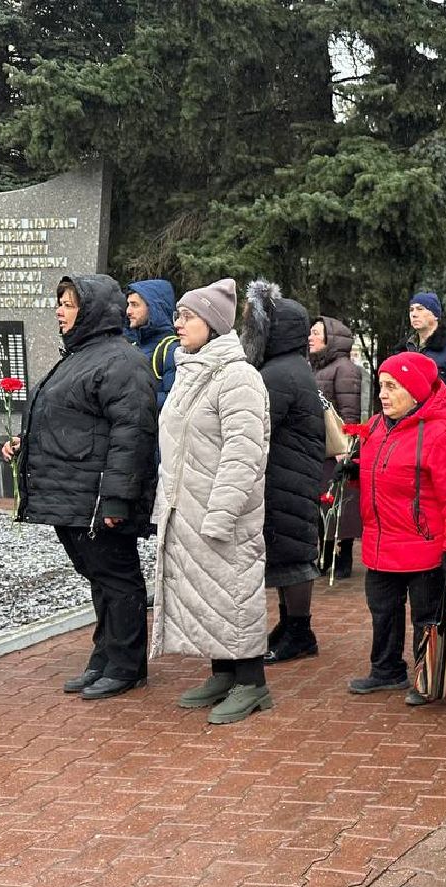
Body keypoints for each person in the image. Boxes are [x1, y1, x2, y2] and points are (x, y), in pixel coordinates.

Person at [2, 274, 157, 701]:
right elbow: (71, 422)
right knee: (99, 577)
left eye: (69, 304)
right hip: (72, 493)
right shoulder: (78, 356)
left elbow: (133, 435)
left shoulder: (119, 361)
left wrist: (116, 499)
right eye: (60, 303)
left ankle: (126, 666)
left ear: (91, 311)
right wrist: (26, 445)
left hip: (96, 497)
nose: (60, 310)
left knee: (117, 578)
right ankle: (105, 657)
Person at [150, 279, 273, 725]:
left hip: (222, 514)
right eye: (178, 315)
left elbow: (245, 453)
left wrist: (220, 512)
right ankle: (223, 673)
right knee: (210, 599)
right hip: (187, 511)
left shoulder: (238, 378)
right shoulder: (191, 371)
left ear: (214, 324)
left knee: (235, 594)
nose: (178, 324)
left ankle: (253, 683)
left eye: (188, 317)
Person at [348, 352, 446, 701]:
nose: (383, 394)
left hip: (424, 545)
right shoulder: (375, 426)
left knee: (426, 618)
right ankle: (386, 669)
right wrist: (354, 472)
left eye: (392, 387)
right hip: (380, 541)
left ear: (415, 391)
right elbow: (380, 475)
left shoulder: (441, 434)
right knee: (382, 611)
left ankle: (429, 677)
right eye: (381, 386)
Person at [241, 281, 325, 664]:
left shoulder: (278, 374)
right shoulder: (288, 367)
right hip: (290, 474)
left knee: (292, 556)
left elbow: (257, 425)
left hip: (285, 477)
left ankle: (299, 631)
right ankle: (290, 625)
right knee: (286, 551)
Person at [309, 315, 363, 578]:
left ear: (331, 338)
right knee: (324, 502)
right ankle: (326, 554)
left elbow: (350, 410)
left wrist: (349, 446)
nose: (311, 337)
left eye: (317, 332)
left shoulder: (345, 369)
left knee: (342, 503)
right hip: (321, 448)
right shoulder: (318, 367)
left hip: (338, 448)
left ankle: (343, 556)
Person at [404, 291, 446, 406]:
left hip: (441, 420)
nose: (414, 314)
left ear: (435, 315)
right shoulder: (405, 349)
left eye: (420, 309)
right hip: (410, 420)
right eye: (411, 310)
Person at [125, 279, 179, 408]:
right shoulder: (131, 345)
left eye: (135, 305)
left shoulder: (170, 349)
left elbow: (175, 402)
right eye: (128, 304)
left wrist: (131, 400)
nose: (128, 311)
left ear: (154, 308)